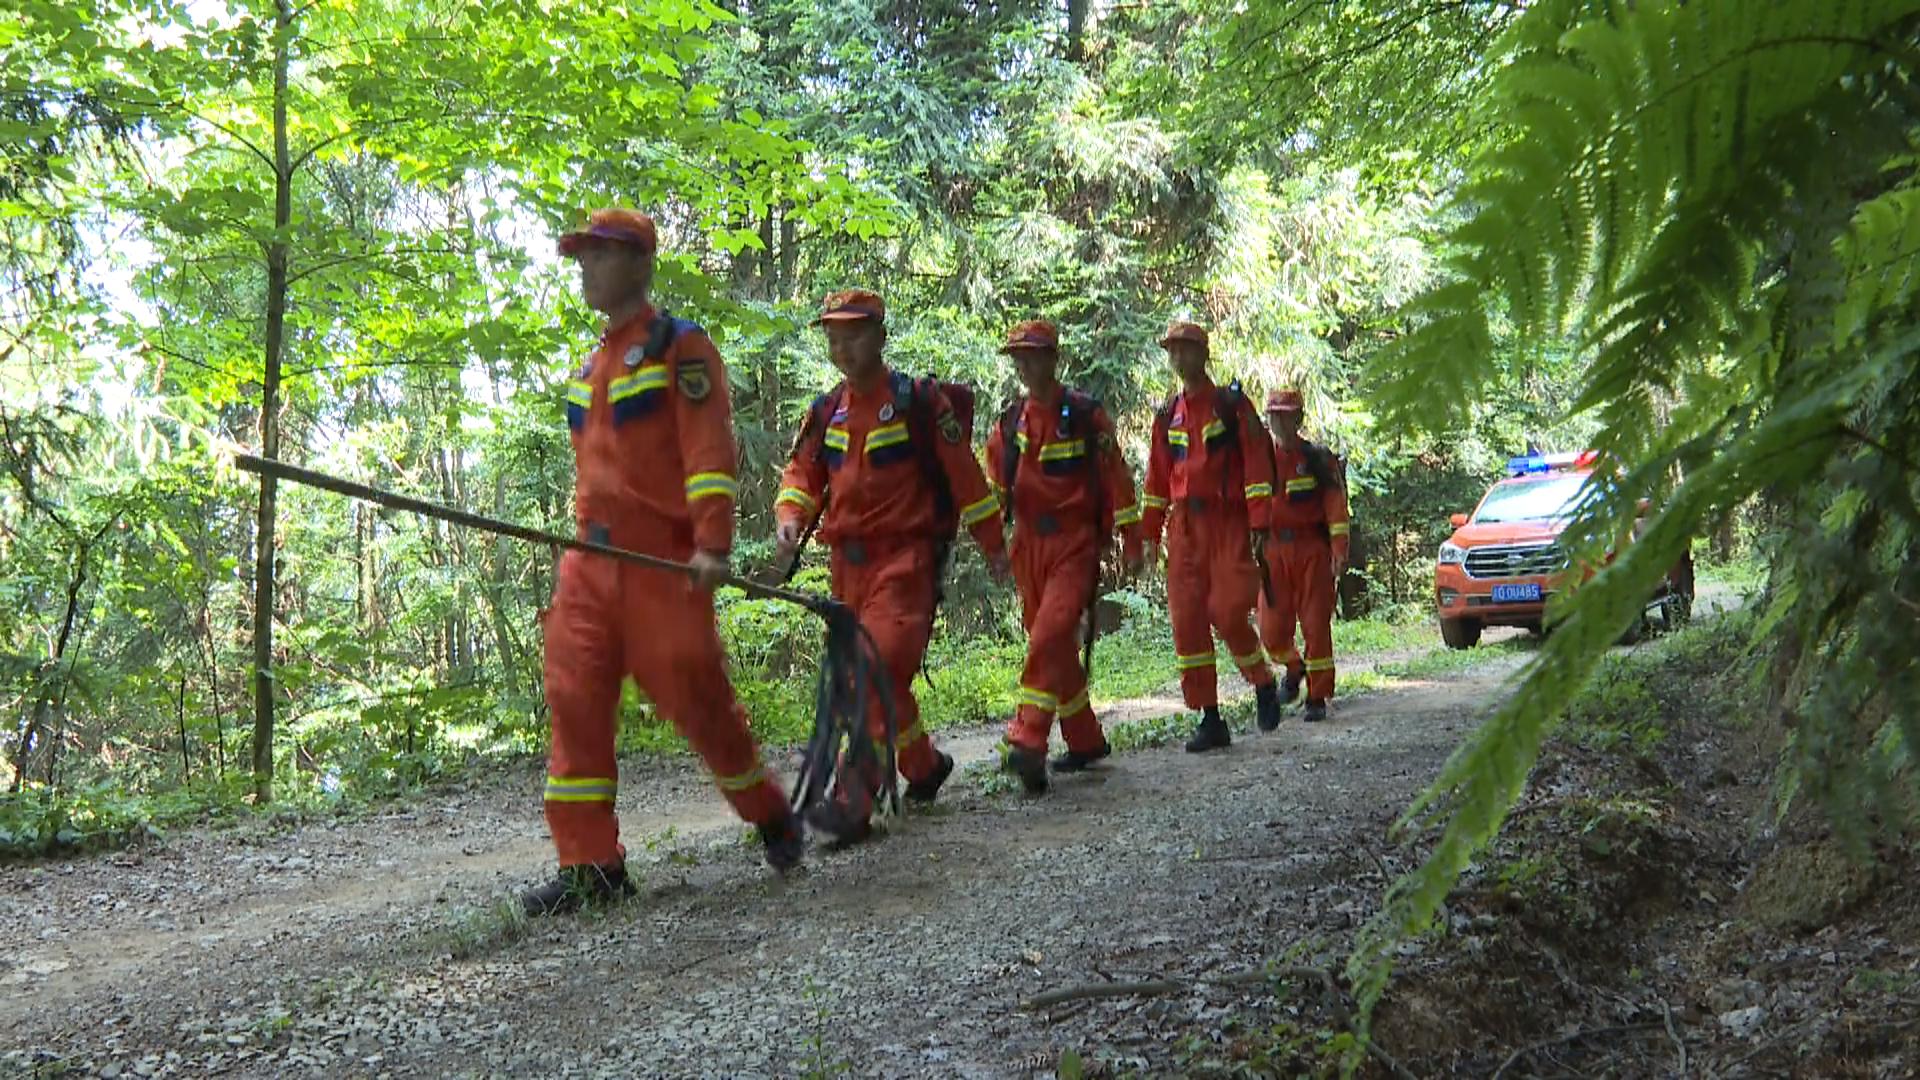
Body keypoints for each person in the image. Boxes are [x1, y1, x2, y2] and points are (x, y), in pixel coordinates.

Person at [527, 208, 802, 916]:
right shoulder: (590, 367)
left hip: (661, 564)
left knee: (697, 698)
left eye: (598, 255)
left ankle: (768, 810)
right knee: (573, 692)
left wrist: (712, 542)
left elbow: (708, 452)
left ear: (640, 263)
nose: (584, 267)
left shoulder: (681, 349)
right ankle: (591, 866)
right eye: (581, 255)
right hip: (589, 559)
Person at [774, 289, 1009, 843]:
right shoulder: (826, 411)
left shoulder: (918, 403)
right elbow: (803, 475)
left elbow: (965, 479)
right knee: (871, 674)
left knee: (875, 671)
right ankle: (924, 766)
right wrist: (789, 517)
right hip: (845, 571)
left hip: (907, 563)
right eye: (832, 336)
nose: (841, 346)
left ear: (879, 336)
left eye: (852, 334)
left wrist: (994, 545)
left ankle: (854, 802)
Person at [982, 320, 1143, 793]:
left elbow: (1116, 478)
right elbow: (993, 492)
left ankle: (1028, 737)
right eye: (1018, 358)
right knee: (1051, 643)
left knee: (1050, 633)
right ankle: (1085, 738)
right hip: (1027, 547)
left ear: (1053, 359)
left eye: (1033, 356)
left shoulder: (1086, 416)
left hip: (1075, 544)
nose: (1025, 365)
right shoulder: (1009, 424)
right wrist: (992, 544)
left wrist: (1132, 539)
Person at [1139, 321, 1284, 753]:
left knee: (1226, 610)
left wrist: (1259, 523)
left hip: (1227, 522)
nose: (1180, 359)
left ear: (1204, 354)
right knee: (1187, 622)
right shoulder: (1168, 415)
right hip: (1183, 528)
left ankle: (1261, 681)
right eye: (1174, 352)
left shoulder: (1231, 406)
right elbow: (1156, 479)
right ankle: (1210, 716)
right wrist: (1148, 535)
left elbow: (1258, 463)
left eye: (1187, 350)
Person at [1257, 388, 1351, 724]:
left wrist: (1339, 550)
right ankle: (1293, 666)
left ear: (1298, 418)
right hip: (1272, 552)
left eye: (1286, 414)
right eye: (1274, 414)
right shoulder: (1259, 460)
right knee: (1271, 628)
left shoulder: (1317, 459)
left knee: (1315, 624)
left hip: (1312, 551)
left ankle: (1317, 695)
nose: (1279, 421)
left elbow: (1335, 508)